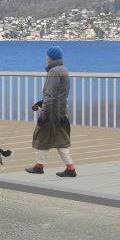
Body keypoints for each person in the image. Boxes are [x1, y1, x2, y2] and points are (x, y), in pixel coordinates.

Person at [25, 46, 76, 177]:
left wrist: (44, 114)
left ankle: (42, 167)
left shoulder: (54, 71)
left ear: (50, 57)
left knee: (43, 137)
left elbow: (51, 95)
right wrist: (41, 103)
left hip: (52, 113)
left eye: (47, 56)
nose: (46, 58)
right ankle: (67, 167)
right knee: (59, 139)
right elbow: (59, 94)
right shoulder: (64, 70)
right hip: (60, 111)